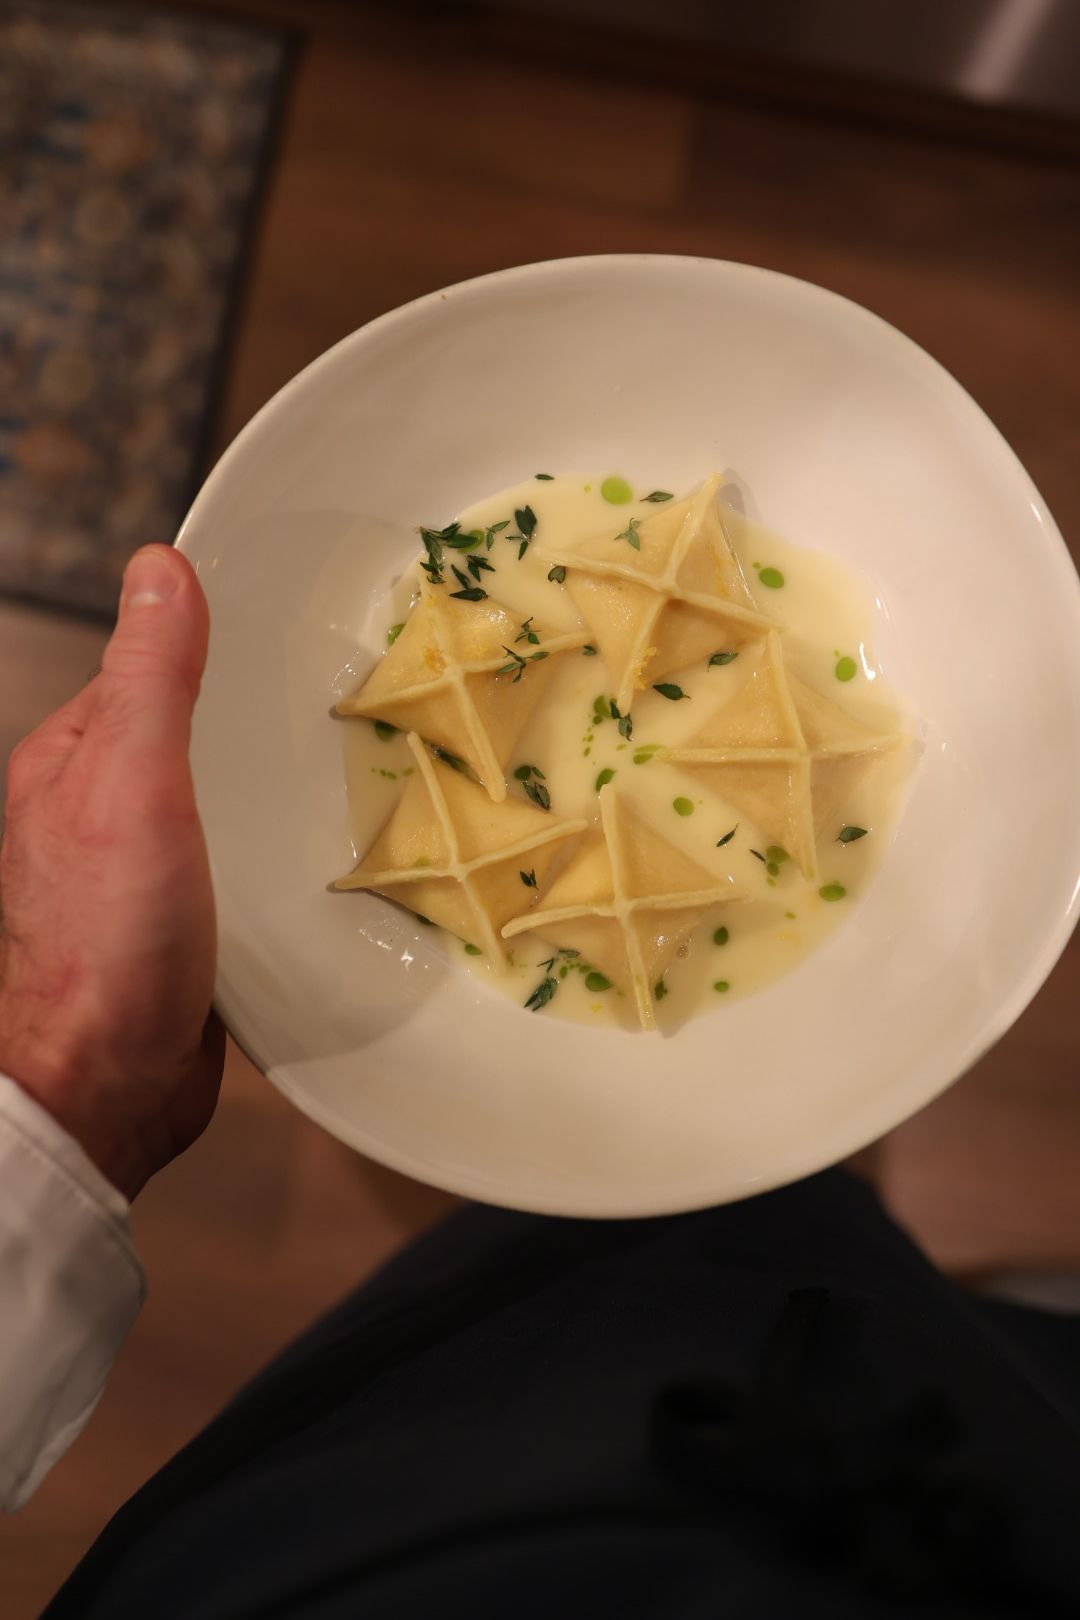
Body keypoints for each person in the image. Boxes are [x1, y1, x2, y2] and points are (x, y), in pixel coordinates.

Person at [2, 546, 1079, 1618]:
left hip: (351, 1547)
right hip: (937, 1526)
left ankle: (847, 1263)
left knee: (545, 1300)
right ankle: (933, 1297)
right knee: (905, 1333)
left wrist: (76, 1060)